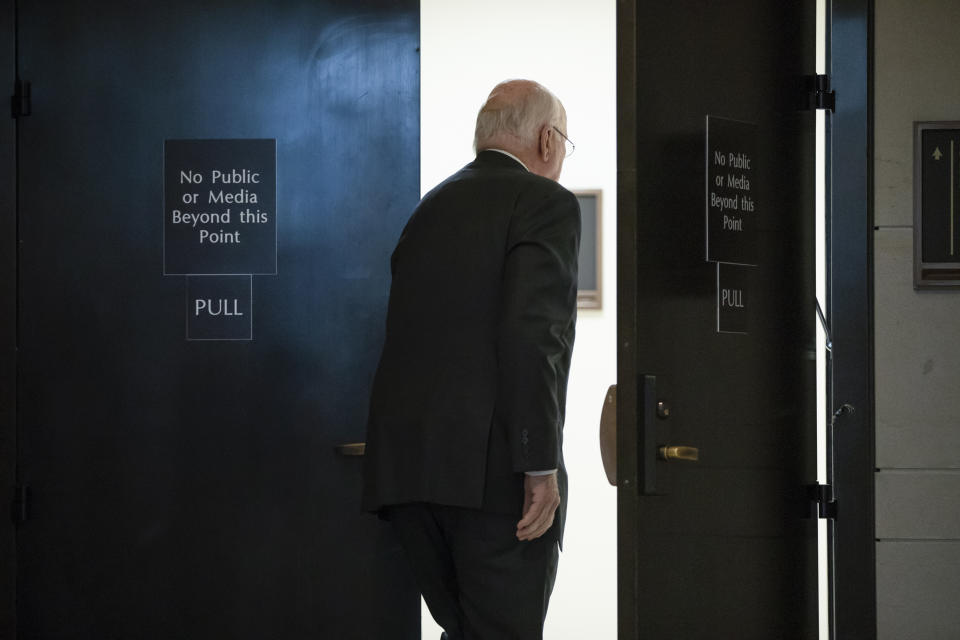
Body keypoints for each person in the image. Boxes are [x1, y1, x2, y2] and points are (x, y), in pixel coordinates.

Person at [362, 79, 580, 640]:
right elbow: (535, 338)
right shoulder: (544, 202)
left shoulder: (428, 208)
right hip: (493, 480)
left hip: (409, 477)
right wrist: (540, 464)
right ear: (548, 140)